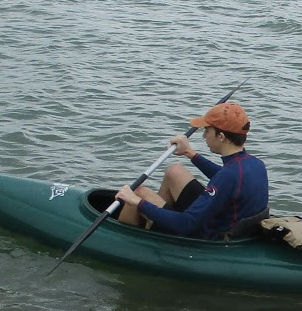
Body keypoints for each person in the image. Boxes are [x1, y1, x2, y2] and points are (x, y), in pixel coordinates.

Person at [115, 101, 270, 238]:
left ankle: (123, 238)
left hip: (208, 233)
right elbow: (226, 178)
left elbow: (187, 223)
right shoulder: (255, 164)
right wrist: (189, 153)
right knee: (174, 170)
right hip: (227, 220)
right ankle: (154, 227)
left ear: (221, 136)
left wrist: (136, 202)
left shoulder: (228, 176)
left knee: (139, 193)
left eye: (207, 131)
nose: (204, 136)